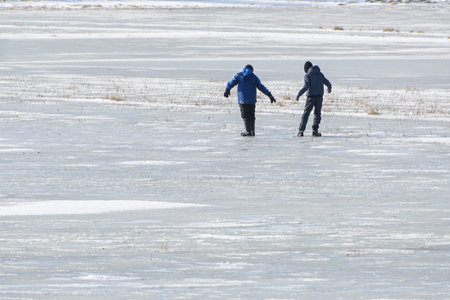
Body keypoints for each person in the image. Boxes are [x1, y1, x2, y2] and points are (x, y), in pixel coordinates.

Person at [224, 65, 276, 136]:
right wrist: (269, 95)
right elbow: (261, 87)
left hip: (242, 100)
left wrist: (227, 89)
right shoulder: (254, 77)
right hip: (252, 100)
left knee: (245, 115)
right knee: (251, 115)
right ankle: (252, 131)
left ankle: (248, 131)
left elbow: (231, 82)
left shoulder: (239, 75)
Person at [296, 61, 332, 137]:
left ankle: (301, 131)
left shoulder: (307, 75)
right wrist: (329, 89)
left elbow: (306, 86)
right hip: (319, 97)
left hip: (310, 98)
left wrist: (299, 94)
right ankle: (315, 131)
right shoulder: (320, 74)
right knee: (317, 114)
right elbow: (328, 83)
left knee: (306, 114)